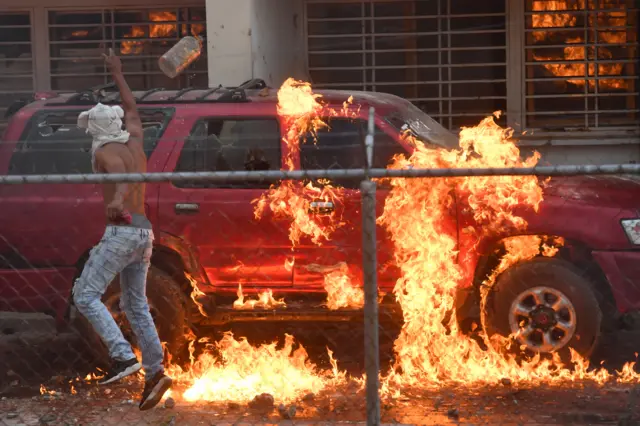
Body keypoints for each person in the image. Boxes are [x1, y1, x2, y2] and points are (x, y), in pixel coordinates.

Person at [73, 48, 172, 411]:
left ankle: (123, 357)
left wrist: (118, 199)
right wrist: (118, 72)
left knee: (85, 295)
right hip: (144, 233)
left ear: (95, 132)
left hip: (120, 232)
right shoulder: (134, 140)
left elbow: (124, 177)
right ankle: (155, 371)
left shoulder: (103, 153)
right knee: (135, 304)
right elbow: (132, 109)